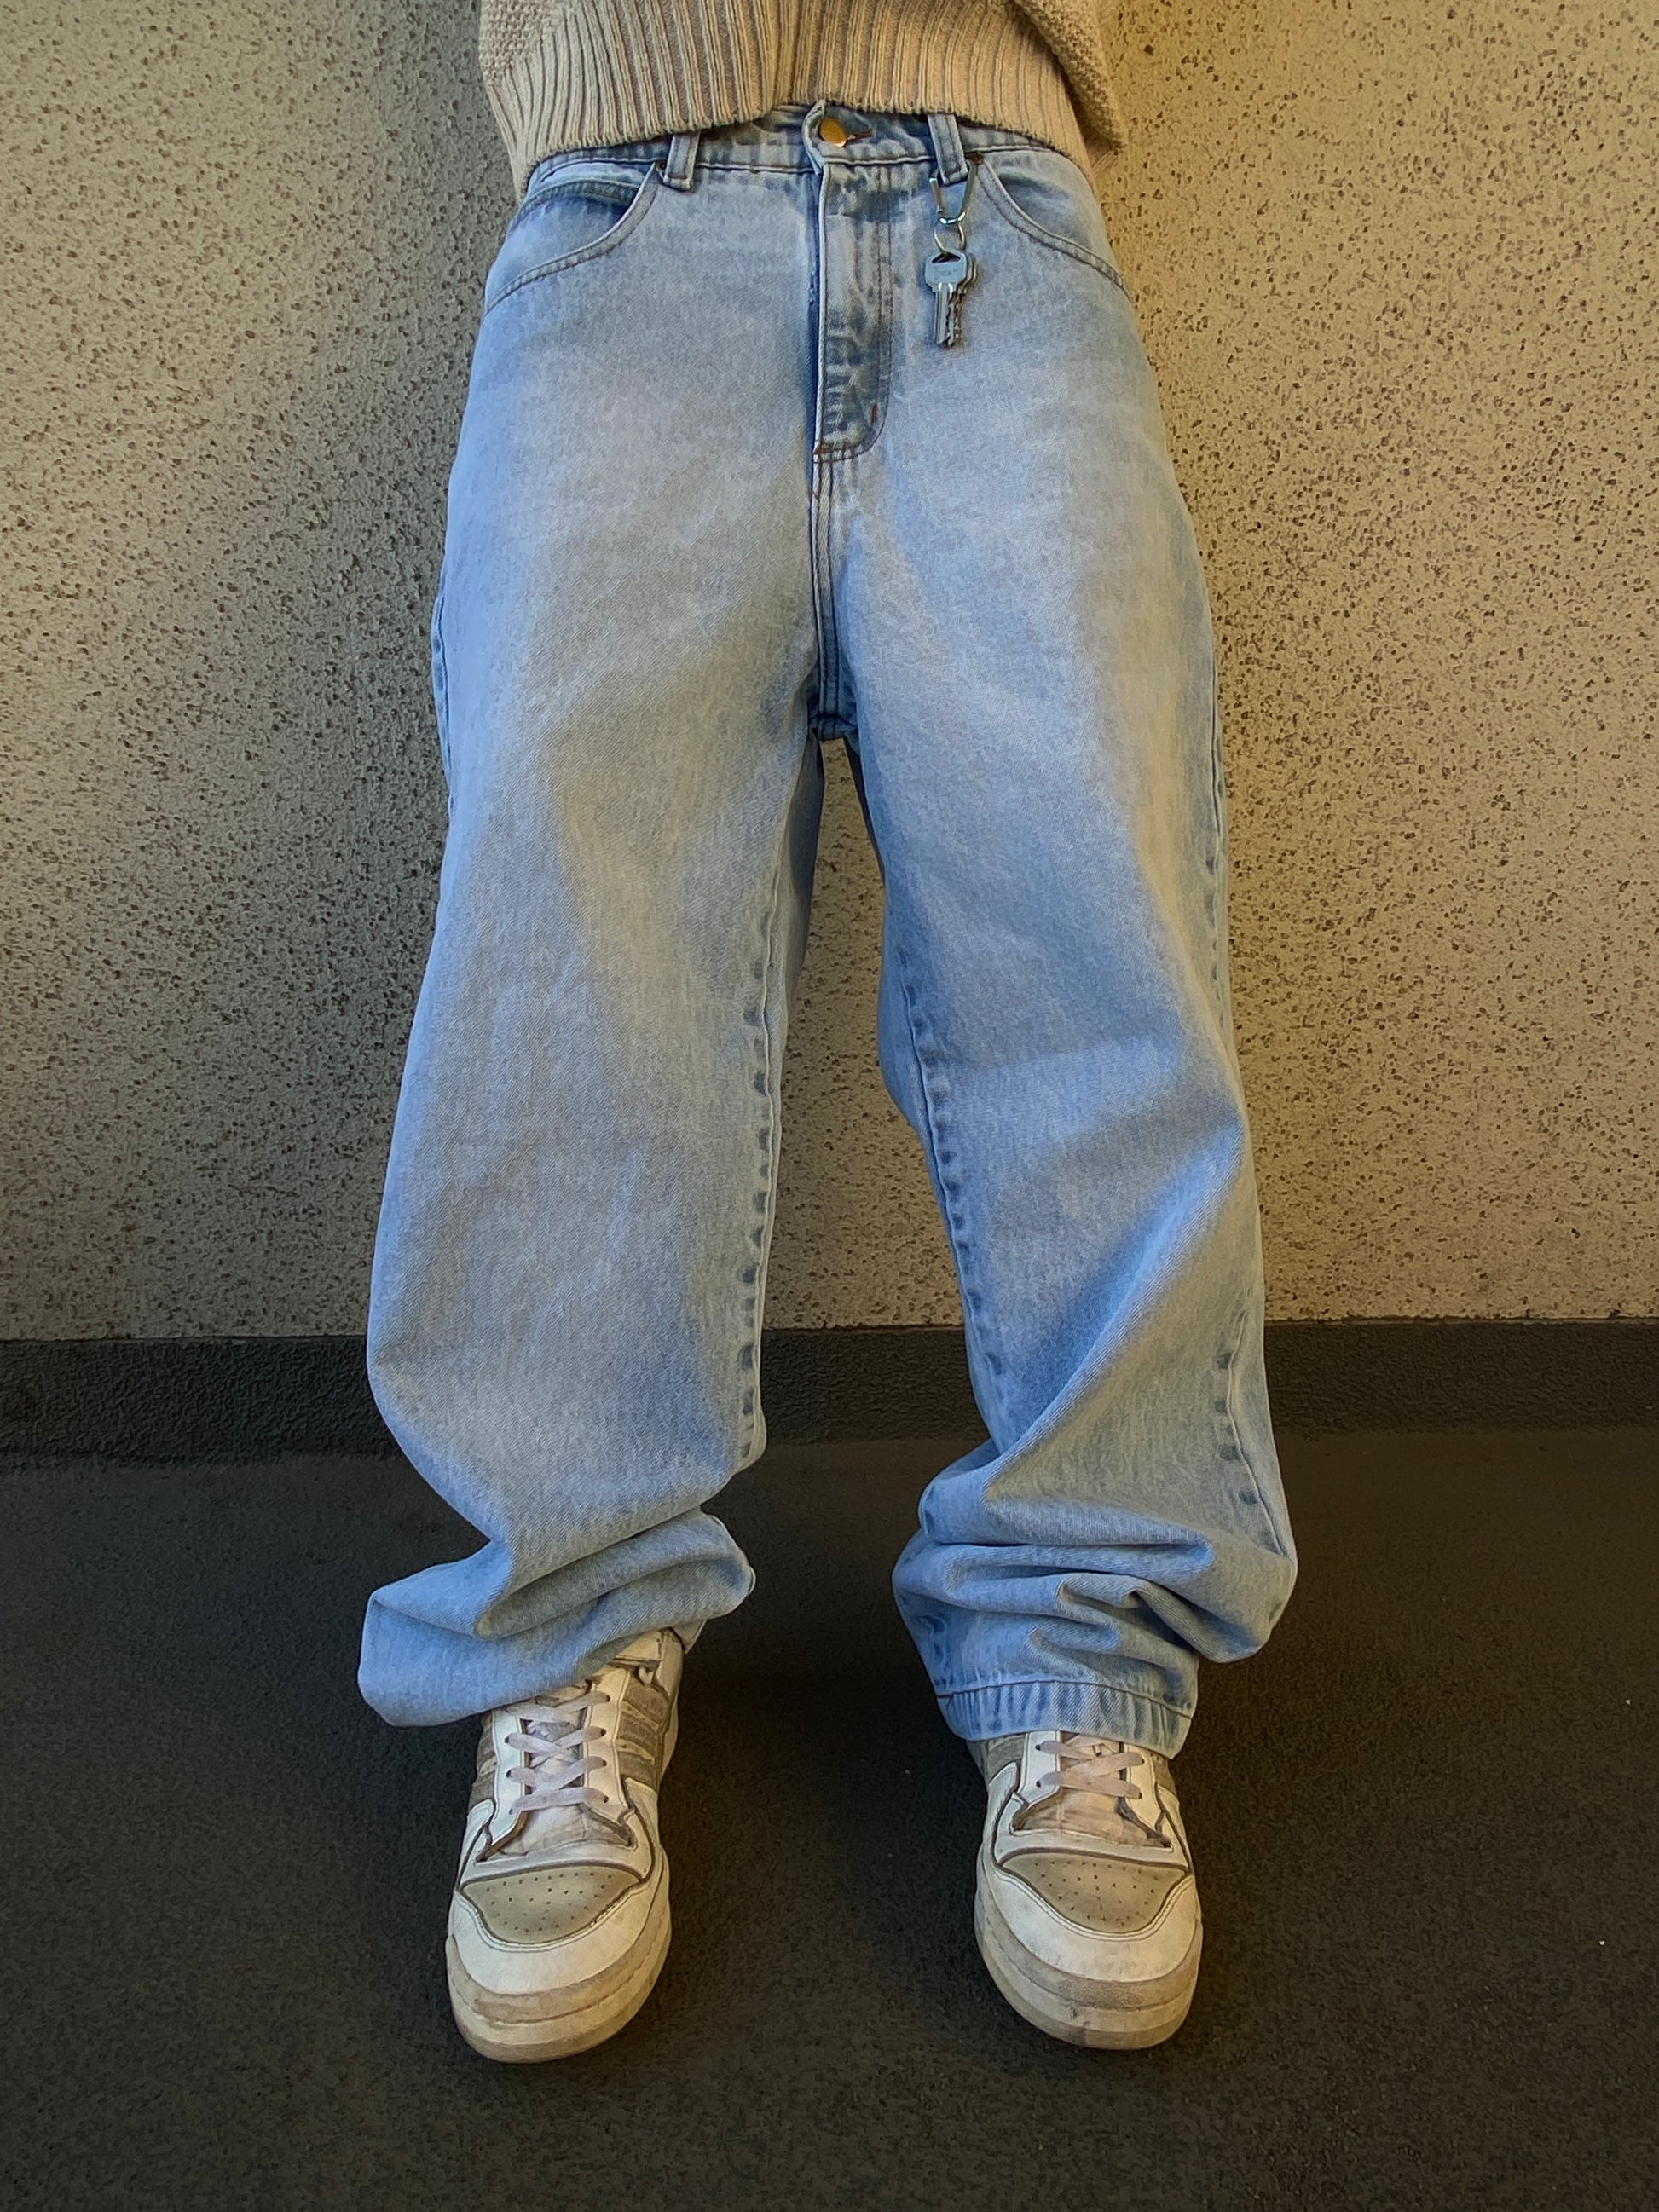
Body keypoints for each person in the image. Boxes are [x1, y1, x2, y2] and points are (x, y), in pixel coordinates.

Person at [357, 1, 1298, 2061]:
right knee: (568, 956)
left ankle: (1082, 1656)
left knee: (1087, 932)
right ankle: (564, 1629)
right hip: (622, 218)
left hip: (997, 224)